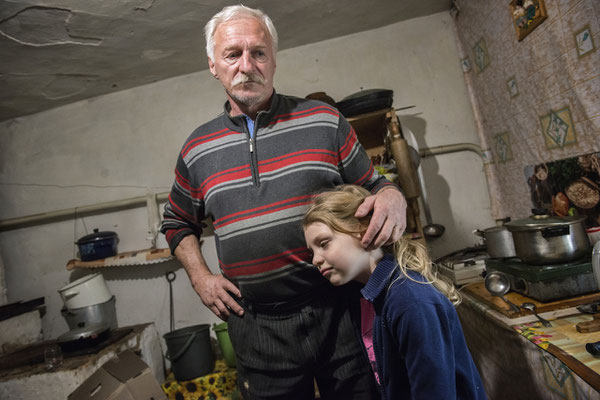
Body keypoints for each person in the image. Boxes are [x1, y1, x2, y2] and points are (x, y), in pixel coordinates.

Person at [160, 5, 407, 399]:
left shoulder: (324, 120)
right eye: (232, 54)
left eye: (258, 52)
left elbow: (376, 185)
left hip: (340, 309)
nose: (247, 65)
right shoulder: (197, 149)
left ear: (273, 60)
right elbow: (176, 222)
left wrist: (394, 196)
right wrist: (200, 277)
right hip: (257, 325)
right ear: (213, 65)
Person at [303, 185, 487, 400]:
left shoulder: (411, 302)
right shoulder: (363, 296)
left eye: (324, 244)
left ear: (365, 230)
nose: (315, 260)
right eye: (312, 252)